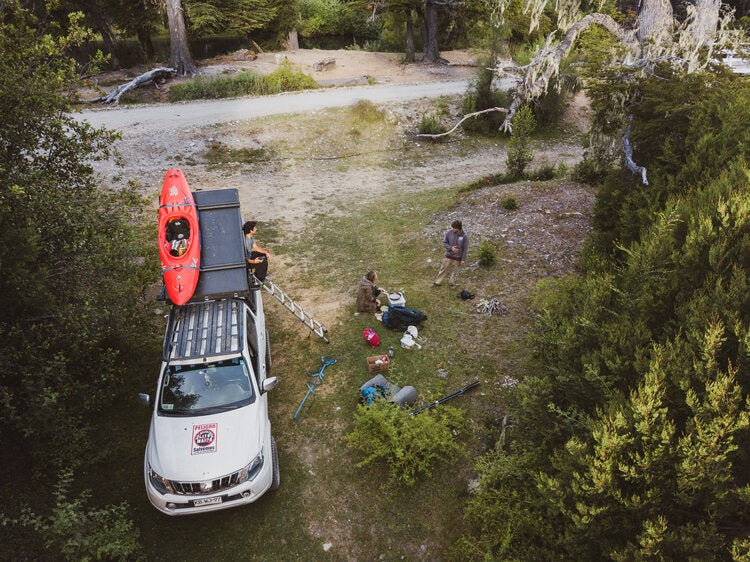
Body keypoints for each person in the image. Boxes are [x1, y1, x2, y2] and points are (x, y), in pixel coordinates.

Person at [433, 220, 468, 287]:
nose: (453, 229)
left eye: (455, 228)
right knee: (443, 269)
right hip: (448, 256)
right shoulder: (448, 233)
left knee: (455, 272)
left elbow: (465, 248)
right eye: (453, 228)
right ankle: (437, 282)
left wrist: (463, 259)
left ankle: (451, 283)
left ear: (459, 228)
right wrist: (451, 248)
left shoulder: (464, 235)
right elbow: (444, 243)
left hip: (458, 258)